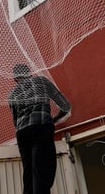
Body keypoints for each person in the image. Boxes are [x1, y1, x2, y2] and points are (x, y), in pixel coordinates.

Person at [8, 64, 71, 194]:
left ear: (16, 78)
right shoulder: (41, 81)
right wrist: (53, 119)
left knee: (28, 172)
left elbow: (15, 122)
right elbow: (65, 106)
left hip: (22, 134)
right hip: (40, 127)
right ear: (30, 73)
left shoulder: (12, 94)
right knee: (42, 169)